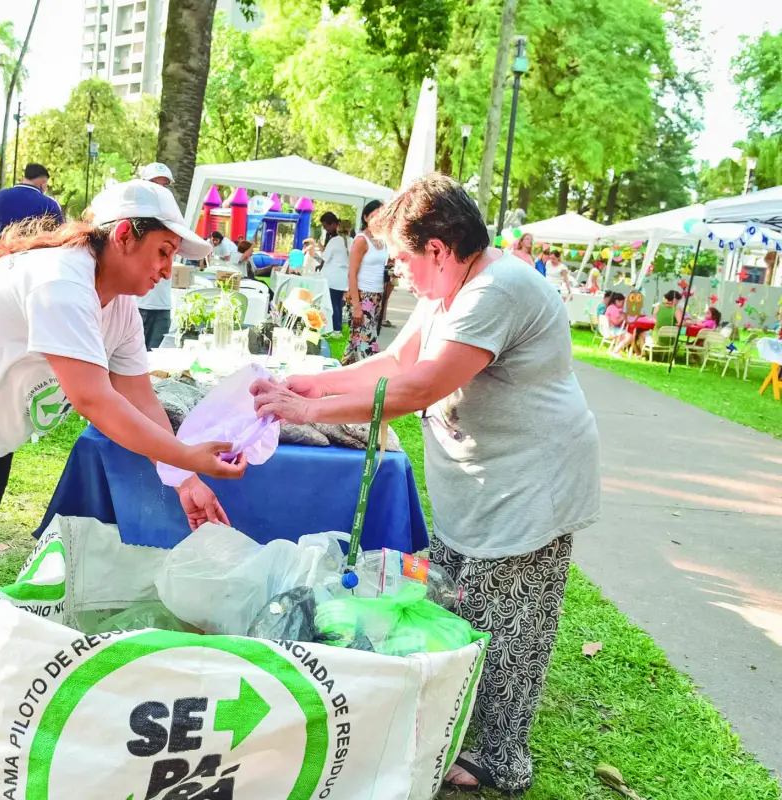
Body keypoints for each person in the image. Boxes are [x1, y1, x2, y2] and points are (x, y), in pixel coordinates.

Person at [249, 173, 600, 794]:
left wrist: (305, 413)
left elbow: (417, 390)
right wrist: (312, 384)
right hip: (483, 479)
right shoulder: (451, 289)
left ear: (438, 249)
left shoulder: (499, 287)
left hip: (529, 480)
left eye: (404, 260)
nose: (400, 275)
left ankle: (498, 757)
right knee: (463, 602)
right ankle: (462, 727)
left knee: (512, 620)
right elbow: (395, 363)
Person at [0, 180, 245, 674]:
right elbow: (94, 398)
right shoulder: (63, 281)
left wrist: (186, 479)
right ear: (123, 235)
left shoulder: (119, 307)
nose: (168, 269)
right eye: (163, 251)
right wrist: (186, 456)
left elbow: (138, 395)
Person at [135, 162, 179, 349]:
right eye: (155, 184)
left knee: (154, 364)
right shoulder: (132, 216)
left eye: (164, 185)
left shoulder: (174, 219)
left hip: (162, 305)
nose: (160, 190)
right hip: (137, 303)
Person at [343, 200, 390, 364]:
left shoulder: (383, 241)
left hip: (376, 296)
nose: (378, 219)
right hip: (362, 295)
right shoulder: (361, 240)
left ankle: (346, 373)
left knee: (358, 340)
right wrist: (356, 306)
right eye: (374, 215)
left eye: (381, 215)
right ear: (365, 217)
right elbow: (352, 274)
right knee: (367, 340)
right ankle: (366, 374)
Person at [0, 163, 64, 235]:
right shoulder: (49, 204)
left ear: (23, 179)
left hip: (2, 247)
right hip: (34, 247)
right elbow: (59, 233)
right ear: (43, 184)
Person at [320, 215, 351, 337]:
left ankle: (335, 328)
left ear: (338, 228)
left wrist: (321, 248)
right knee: (338, 303)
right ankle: (337, 327)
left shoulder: (334, 241)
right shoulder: (352, 241)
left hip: (331, 277)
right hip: (343, 278)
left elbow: (325, 257)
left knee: (332, 304)